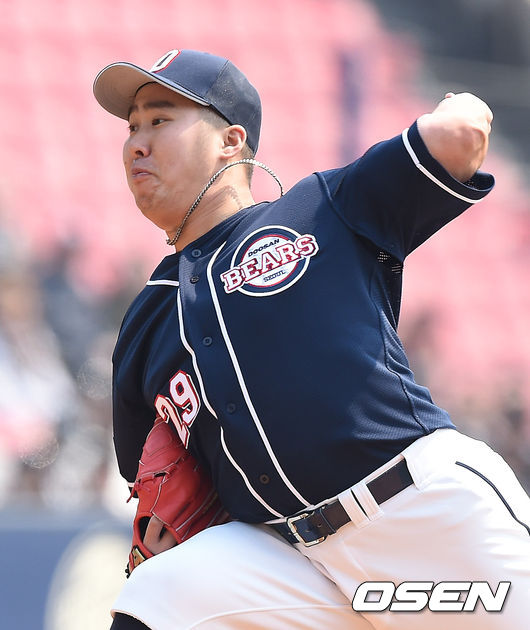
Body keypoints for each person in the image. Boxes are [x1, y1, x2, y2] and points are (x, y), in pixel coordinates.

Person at [93, 49, 530, 630]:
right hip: (293, 560)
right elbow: (151, 476)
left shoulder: (320, 209)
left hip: (423, 513)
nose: (137, 144)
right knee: (157, 597)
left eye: (160, 119)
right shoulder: (146, 322)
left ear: (231, 142)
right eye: (131, 127)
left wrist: (462, 106)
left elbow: (461, 136)